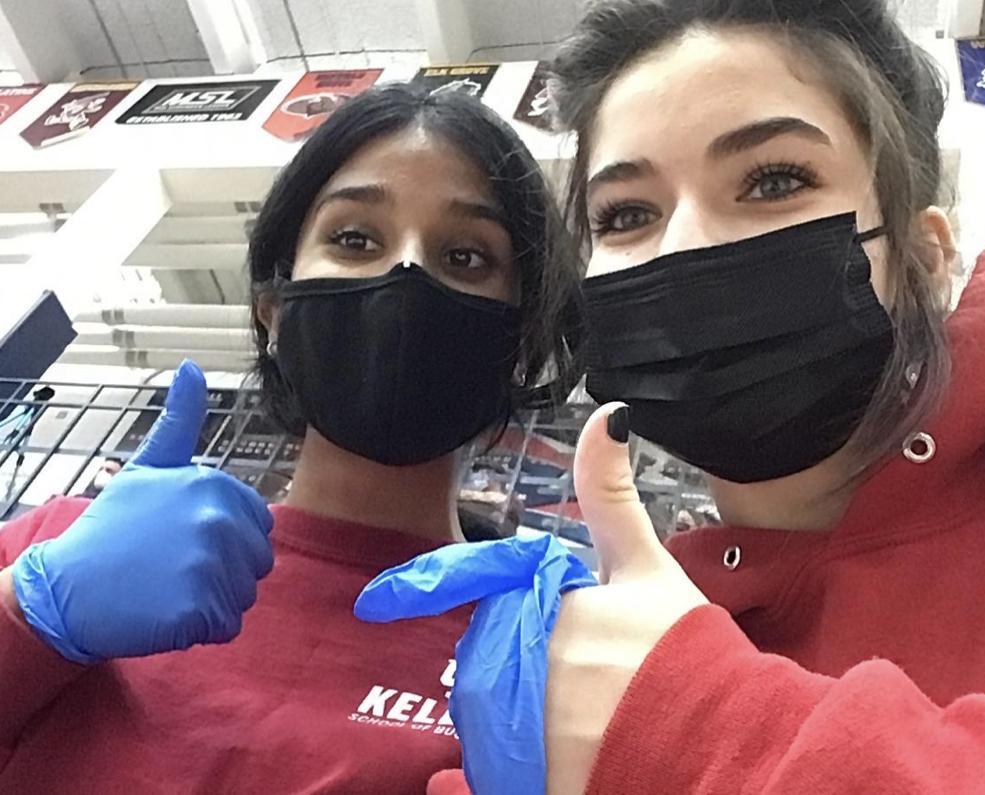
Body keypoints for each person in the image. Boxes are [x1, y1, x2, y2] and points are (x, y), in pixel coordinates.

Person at [359, 2, 985, 793]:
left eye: (773, 181)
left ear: (922, 254)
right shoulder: (628, 641)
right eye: (626, 214)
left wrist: (693, 722)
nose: (684, 245)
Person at [0, 83, 581, 792]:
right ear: (273, 310)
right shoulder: (61, 546)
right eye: (354, 239)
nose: (404, 274)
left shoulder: (544, 648)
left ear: (520, 341)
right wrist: (27, 615)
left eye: (465, 257)